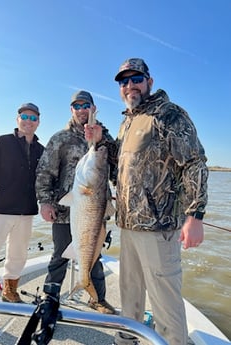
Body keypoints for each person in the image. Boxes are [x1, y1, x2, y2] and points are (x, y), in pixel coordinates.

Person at [85, 58, 208, 345]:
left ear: (149, 81)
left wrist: (195, 215)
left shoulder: (170, 115)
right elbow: (121, 165)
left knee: (165, 303)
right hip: (128, 225)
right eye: (124, 81)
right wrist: (103, 140)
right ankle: (127, 340)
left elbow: (194, 163)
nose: (130, 86)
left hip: (159, 229)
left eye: (136, 79)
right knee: (130, 295)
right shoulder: (126, 122)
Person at [35, 90, 116, 315]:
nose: (81, 110)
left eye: (86, 105)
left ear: (93, 107)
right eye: (77, 106)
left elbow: (119, 167)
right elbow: (45, 172)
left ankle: (97, 298)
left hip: (96, 210)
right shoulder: (60, 138)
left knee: (94, 256)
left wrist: (100, 140)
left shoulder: (105, 138)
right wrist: (45, 201)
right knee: (60, 255)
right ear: (72, 110)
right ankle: (50, 299)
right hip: (63, 210)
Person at [0, 102, 44, 336]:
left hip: (26, 212)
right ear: (17, 119)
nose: (28, 121)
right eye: (24, 116)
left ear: (38, 122)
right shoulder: (1, 142)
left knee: (18, 255)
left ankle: (9, 291)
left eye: (33, 118)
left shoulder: (40, 150)